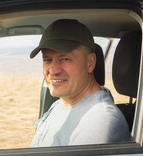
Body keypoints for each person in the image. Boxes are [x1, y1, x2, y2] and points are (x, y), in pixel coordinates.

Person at [30, 19, 131, 147]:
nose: (53, 70)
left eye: (65, 59)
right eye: (47, 60)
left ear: (90, 63)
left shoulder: (98, 121)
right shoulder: (61, 104)